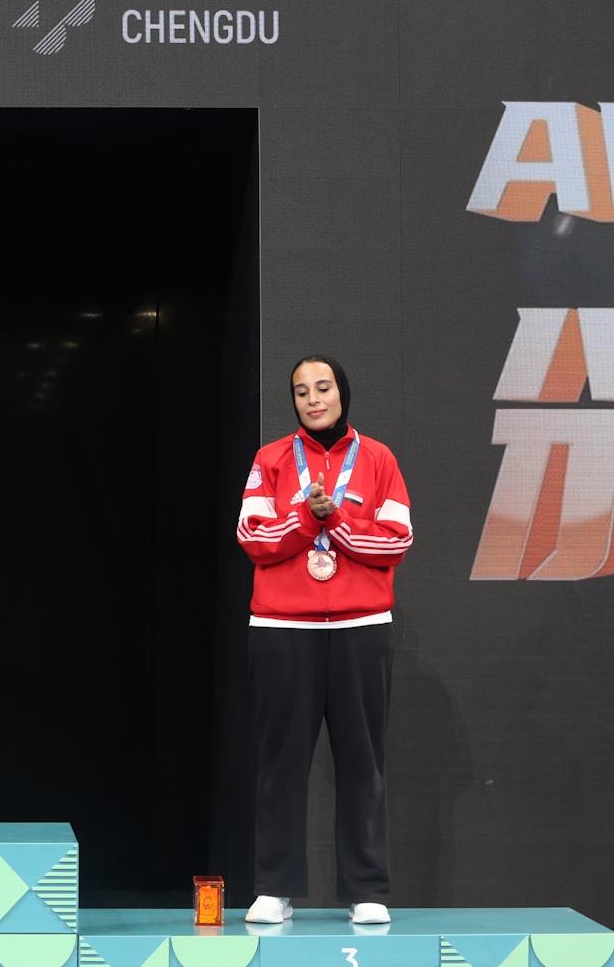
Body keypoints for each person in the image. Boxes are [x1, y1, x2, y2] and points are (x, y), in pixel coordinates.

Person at [236, 355, 412, 926]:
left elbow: (396, 541)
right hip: (283, 629)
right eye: (301, 391)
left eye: (323, 387)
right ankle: (274, 888)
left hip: (361, 629)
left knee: (363, 762)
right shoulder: (270, 460)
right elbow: (252, 536)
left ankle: (367, 889)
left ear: (342, 392)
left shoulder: (379, 459)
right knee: (281, 764)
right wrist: (305, 519)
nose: (313, 399)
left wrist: (335, 521)